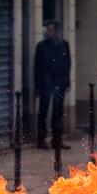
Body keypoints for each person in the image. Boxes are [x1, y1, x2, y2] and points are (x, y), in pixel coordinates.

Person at [34, 21, 71, 150]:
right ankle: (41, 140)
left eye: (51, 30)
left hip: (59, 84)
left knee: (58, 113)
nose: (49, 33)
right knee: (43, 113)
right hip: (46, 84)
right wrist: (38, 86)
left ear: (57, 32)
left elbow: (67, 65)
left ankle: (57, 140)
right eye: (48, 30)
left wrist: (66, 83)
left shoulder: (64, 45)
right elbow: (37, 67)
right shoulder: (42, 46)